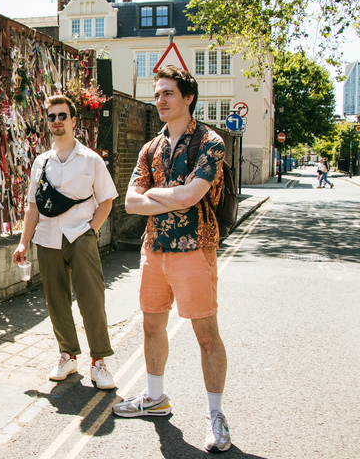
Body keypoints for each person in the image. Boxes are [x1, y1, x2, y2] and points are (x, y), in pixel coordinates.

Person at [112, 66, 231, 453]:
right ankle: (155, 398)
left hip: (196, 248)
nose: (160, 100)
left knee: (206, 335)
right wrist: (173, 192)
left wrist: (162, 195)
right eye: (157, 94)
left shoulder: (210, 143)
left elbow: (191, 198)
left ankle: (215, 414)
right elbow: (130, 202)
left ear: (188, 97)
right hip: (155, 249)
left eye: (167, 94)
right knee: (150, 328)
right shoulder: (150, 149)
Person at [12, 94, 118, 390]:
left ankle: (99, 362)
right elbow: (33, 205)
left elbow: (107, 200)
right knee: (56, 300)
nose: (57, 121)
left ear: (74, 121)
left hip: (79, 235)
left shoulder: (91, 159)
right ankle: (67, 355)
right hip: (47, 238)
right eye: (52, 117)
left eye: (62, 116)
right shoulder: (40, 162)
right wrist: (23, 243)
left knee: (91, 299)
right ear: (47, 123)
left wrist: (92, 230)